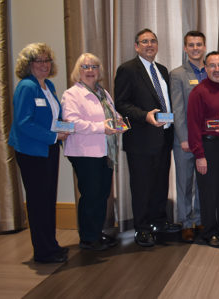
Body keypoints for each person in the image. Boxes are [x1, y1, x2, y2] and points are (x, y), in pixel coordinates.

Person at [114, 28, 179, 247]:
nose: (149, 45)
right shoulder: (127, 70)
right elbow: (121, 104)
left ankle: (158, 222)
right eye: (144, 41)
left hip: (163, 137)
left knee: (160, 184)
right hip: (141, 140)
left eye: (153, 41)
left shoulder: (161, 69)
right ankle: (141, 229)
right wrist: (145, 116)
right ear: (136, 46)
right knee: (142, 187)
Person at [8, 43, 69, 263]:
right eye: (39, 61)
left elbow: (51, 117)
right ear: (29, 65)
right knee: (38, 202)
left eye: (47, 60)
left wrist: (64, 126)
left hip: (48, 150)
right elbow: (24, 123)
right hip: (32, 152)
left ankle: (51, 245)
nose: (44, 65)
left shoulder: (48, 85)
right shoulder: (26, 87)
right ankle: (43, 252)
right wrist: (54, 136)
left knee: (47, 199)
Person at [62, 53, 123, 250]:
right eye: (85, 67)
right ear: (77, 72)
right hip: (84, 152)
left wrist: (119, 120)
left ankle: (96, 233)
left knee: (102, 194)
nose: (90, 71)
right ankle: (88, 238)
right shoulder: (71, 94)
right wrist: (101, 127)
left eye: (94, 67)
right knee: (91, 195)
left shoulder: (102, 92)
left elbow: (111, 114)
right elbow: (72, 122)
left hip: (104, 151)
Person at [187, 51, 219, 249]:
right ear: (206, 68)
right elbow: (192, 127)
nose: (217, 69)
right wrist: (199, 156)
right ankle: (209, 232)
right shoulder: (198, 92)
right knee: (209, 192)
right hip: (208, 148)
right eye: (212, 66)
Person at [170, 31, 207, 243]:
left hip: (206, 139)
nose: (195, 48)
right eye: (191, 45)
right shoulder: (177, 74)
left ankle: (200, 219)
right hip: (184, 140)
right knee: (185, 183)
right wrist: (184, 138)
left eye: (199, 44)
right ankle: (185, 223)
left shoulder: (211, 71)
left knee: (202, 182)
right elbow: (177, 108)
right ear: (185, 48)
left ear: (204, 47)